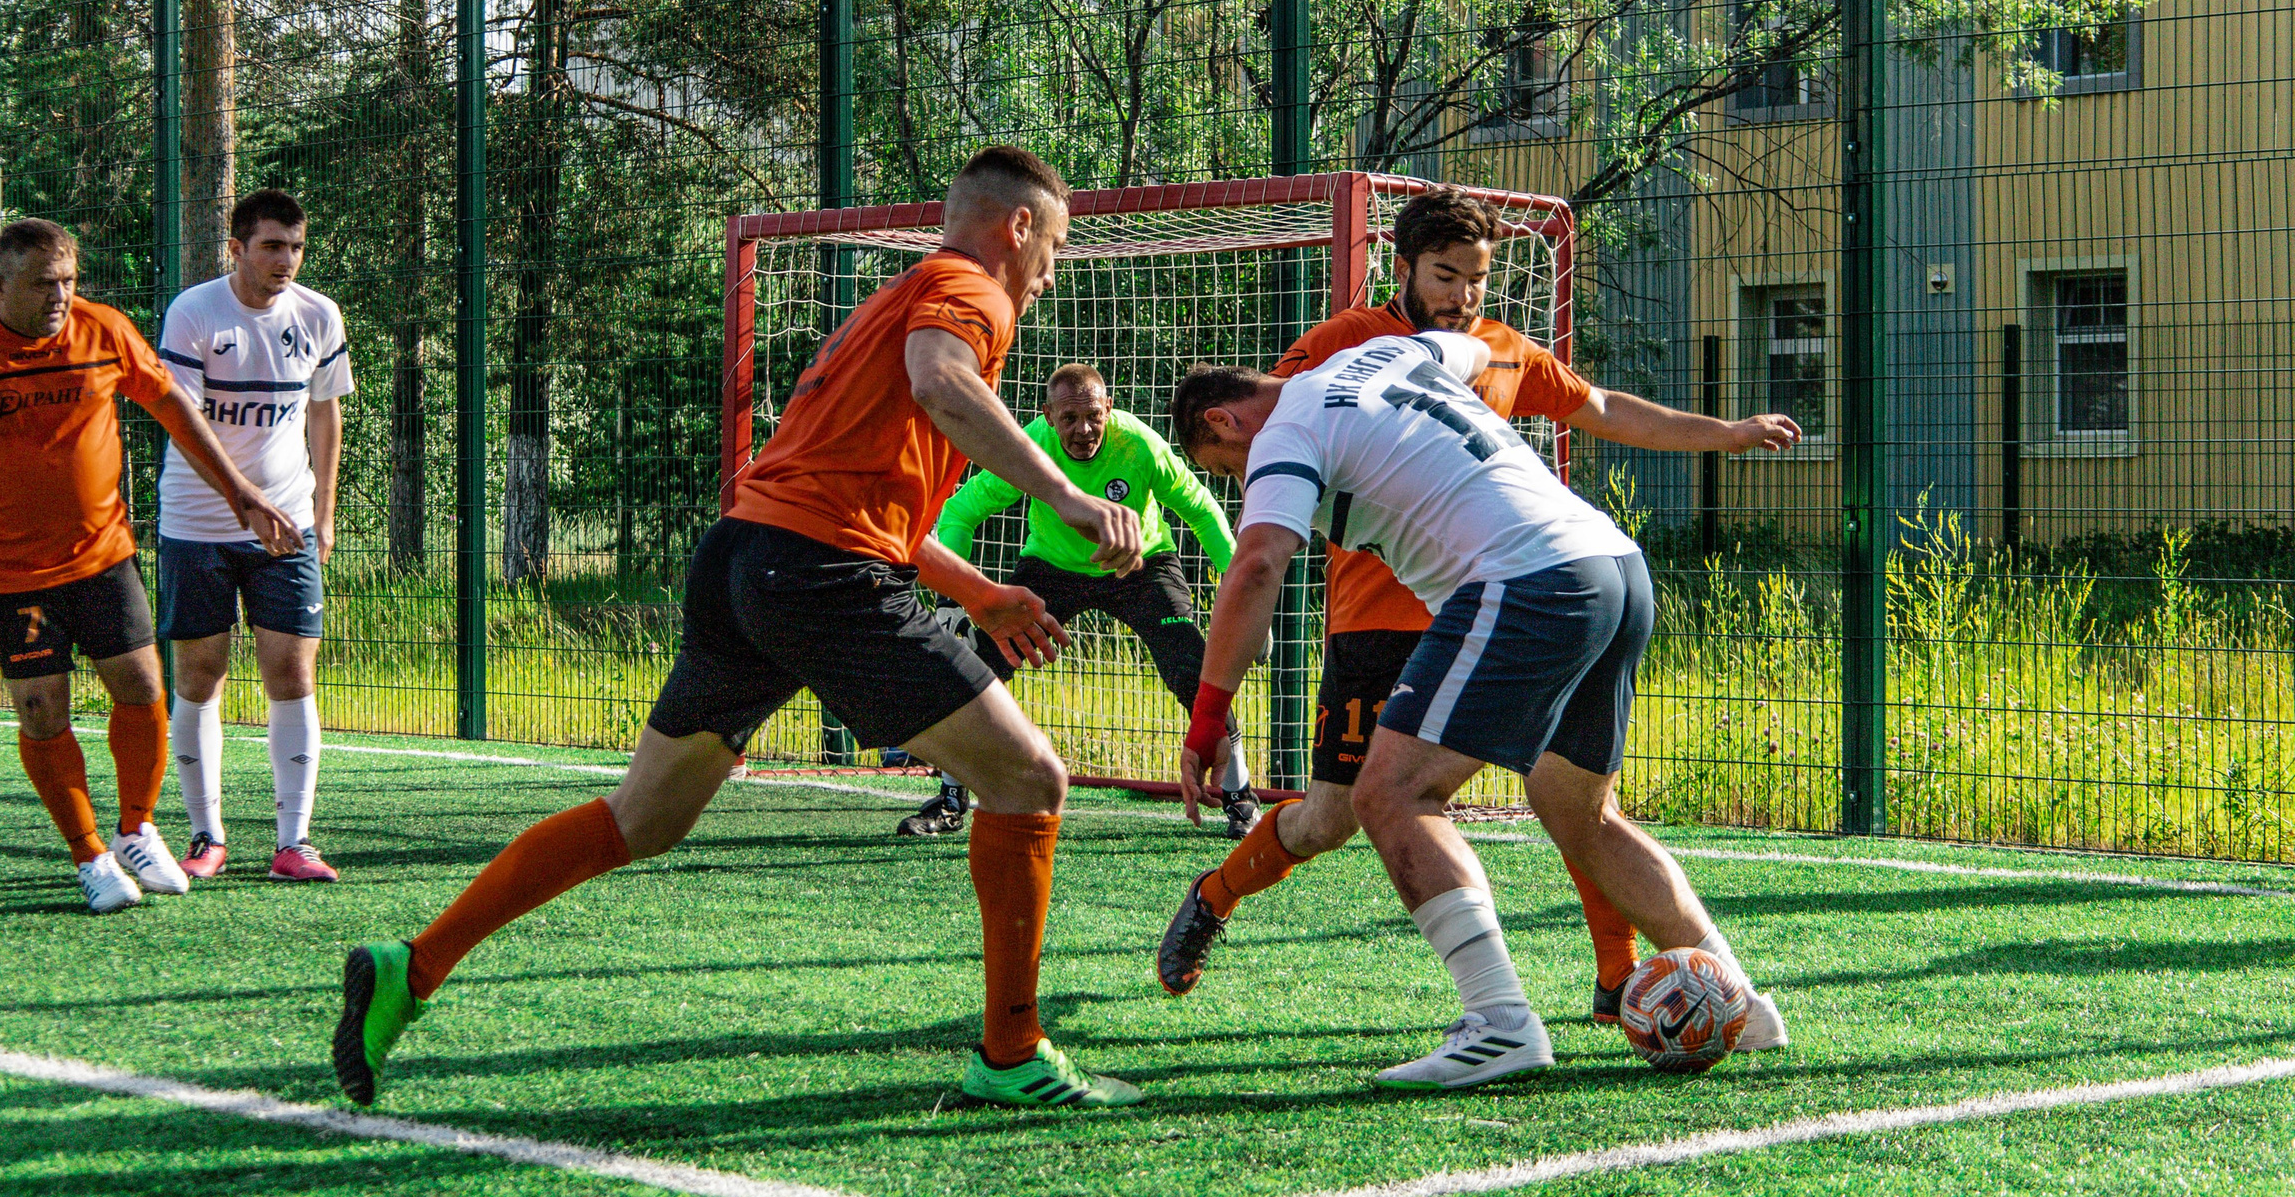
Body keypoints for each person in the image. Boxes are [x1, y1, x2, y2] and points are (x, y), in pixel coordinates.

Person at [332, 146, 1152, 1111]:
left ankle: (412, 967)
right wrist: (1065, 494)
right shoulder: (970, 289)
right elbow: (940, 384)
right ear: (1018, 227)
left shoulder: (891, 302)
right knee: (1028, 779)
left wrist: (978, 591)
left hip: (744, 560)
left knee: (643, 820)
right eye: (1052, 245)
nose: (1051, 272)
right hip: (817, 579)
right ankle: (1012, 1053)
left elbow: (841, 494)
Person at [1157, 187, 1800, 1013]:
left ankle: (1602, 983)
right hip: (1386, 618)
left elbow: (1598, 408)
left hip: (1503, 594)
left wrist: (1725, 434)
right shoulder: (1338, 350)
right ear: (1402, 269)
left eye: (1477, 277)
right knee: (1335, 815)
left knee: (1554, 796)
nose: (1463, 295)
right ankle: (1217, 895)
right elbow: (1279, 440)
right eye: (1445, 275)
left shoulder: (1494, 347)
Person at [0, 218, 302, 914]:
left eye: (68, 280)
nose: (59, 296)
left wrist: (241, 492)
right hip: (7, 571)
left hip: (102, 554)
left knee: (144, 687)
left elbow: (172, 405)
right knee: (41, 711)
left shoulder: (104, 329)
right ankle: (89, 854)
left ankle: (135, 828)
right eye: (42, 284)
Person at [900, 361, 1260, 838]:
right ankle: (949, 798)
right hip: (1052, 569)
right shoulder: (1029, 448)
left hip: (1141, 565)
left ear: (1108, 408)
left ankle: (1240, 797)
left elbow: (1200, 510)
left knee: (1192, 670)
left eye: (1093, 416)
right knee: (975, 666)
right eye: (1069, 419)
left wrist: (1243, 595)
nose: (1083, 429)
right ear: (1047, 416)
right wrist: (952, 601)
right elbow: (961, 512)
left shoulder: (1139, 445)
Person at [156, 188, 352, 884]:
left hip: (289, 526)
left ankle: (294, 843)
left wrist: (322, 513)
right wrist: (242, 504)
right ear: (236, 249)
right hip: (196, 524)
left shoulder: (319, 316)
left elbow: (325, 415)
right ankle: (206, 835)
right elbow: (183, 421)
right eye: (271, 246)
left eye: (296, 247)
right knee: (200, 675)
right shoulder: (194, 312)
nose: (286, 261)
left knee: (292, 675)